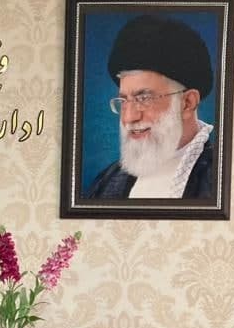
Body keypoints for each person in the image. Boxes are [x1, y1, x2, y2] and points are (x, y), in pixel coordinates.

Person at [85, 14, 216, 200]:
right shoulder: (106, 182)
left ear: (187, 103)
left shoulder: (220, 176)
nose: (129, 117)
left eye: (144, 98)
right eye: (123, 101)